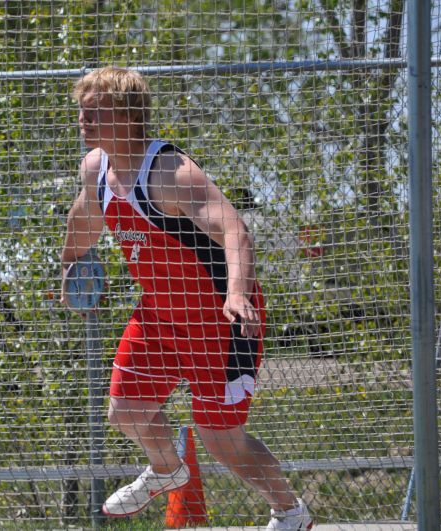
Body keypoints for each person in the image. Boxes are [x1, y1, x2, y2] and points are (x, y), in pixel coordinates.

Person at [60, 66, 313, 531]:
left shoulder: (170, 173)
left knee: (221, 440)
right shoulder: (96, 168)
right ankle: (167, 470)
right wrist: (69, 265)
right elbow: (85, 215)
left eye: (94, 110)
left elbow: (234, 229)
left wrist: (238, 292)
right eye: (81, 109)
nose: (83, 118)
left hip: (217, 320)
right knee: (126, 410)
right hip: (159, 313)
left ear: (129, 115)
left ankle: (290, 512)